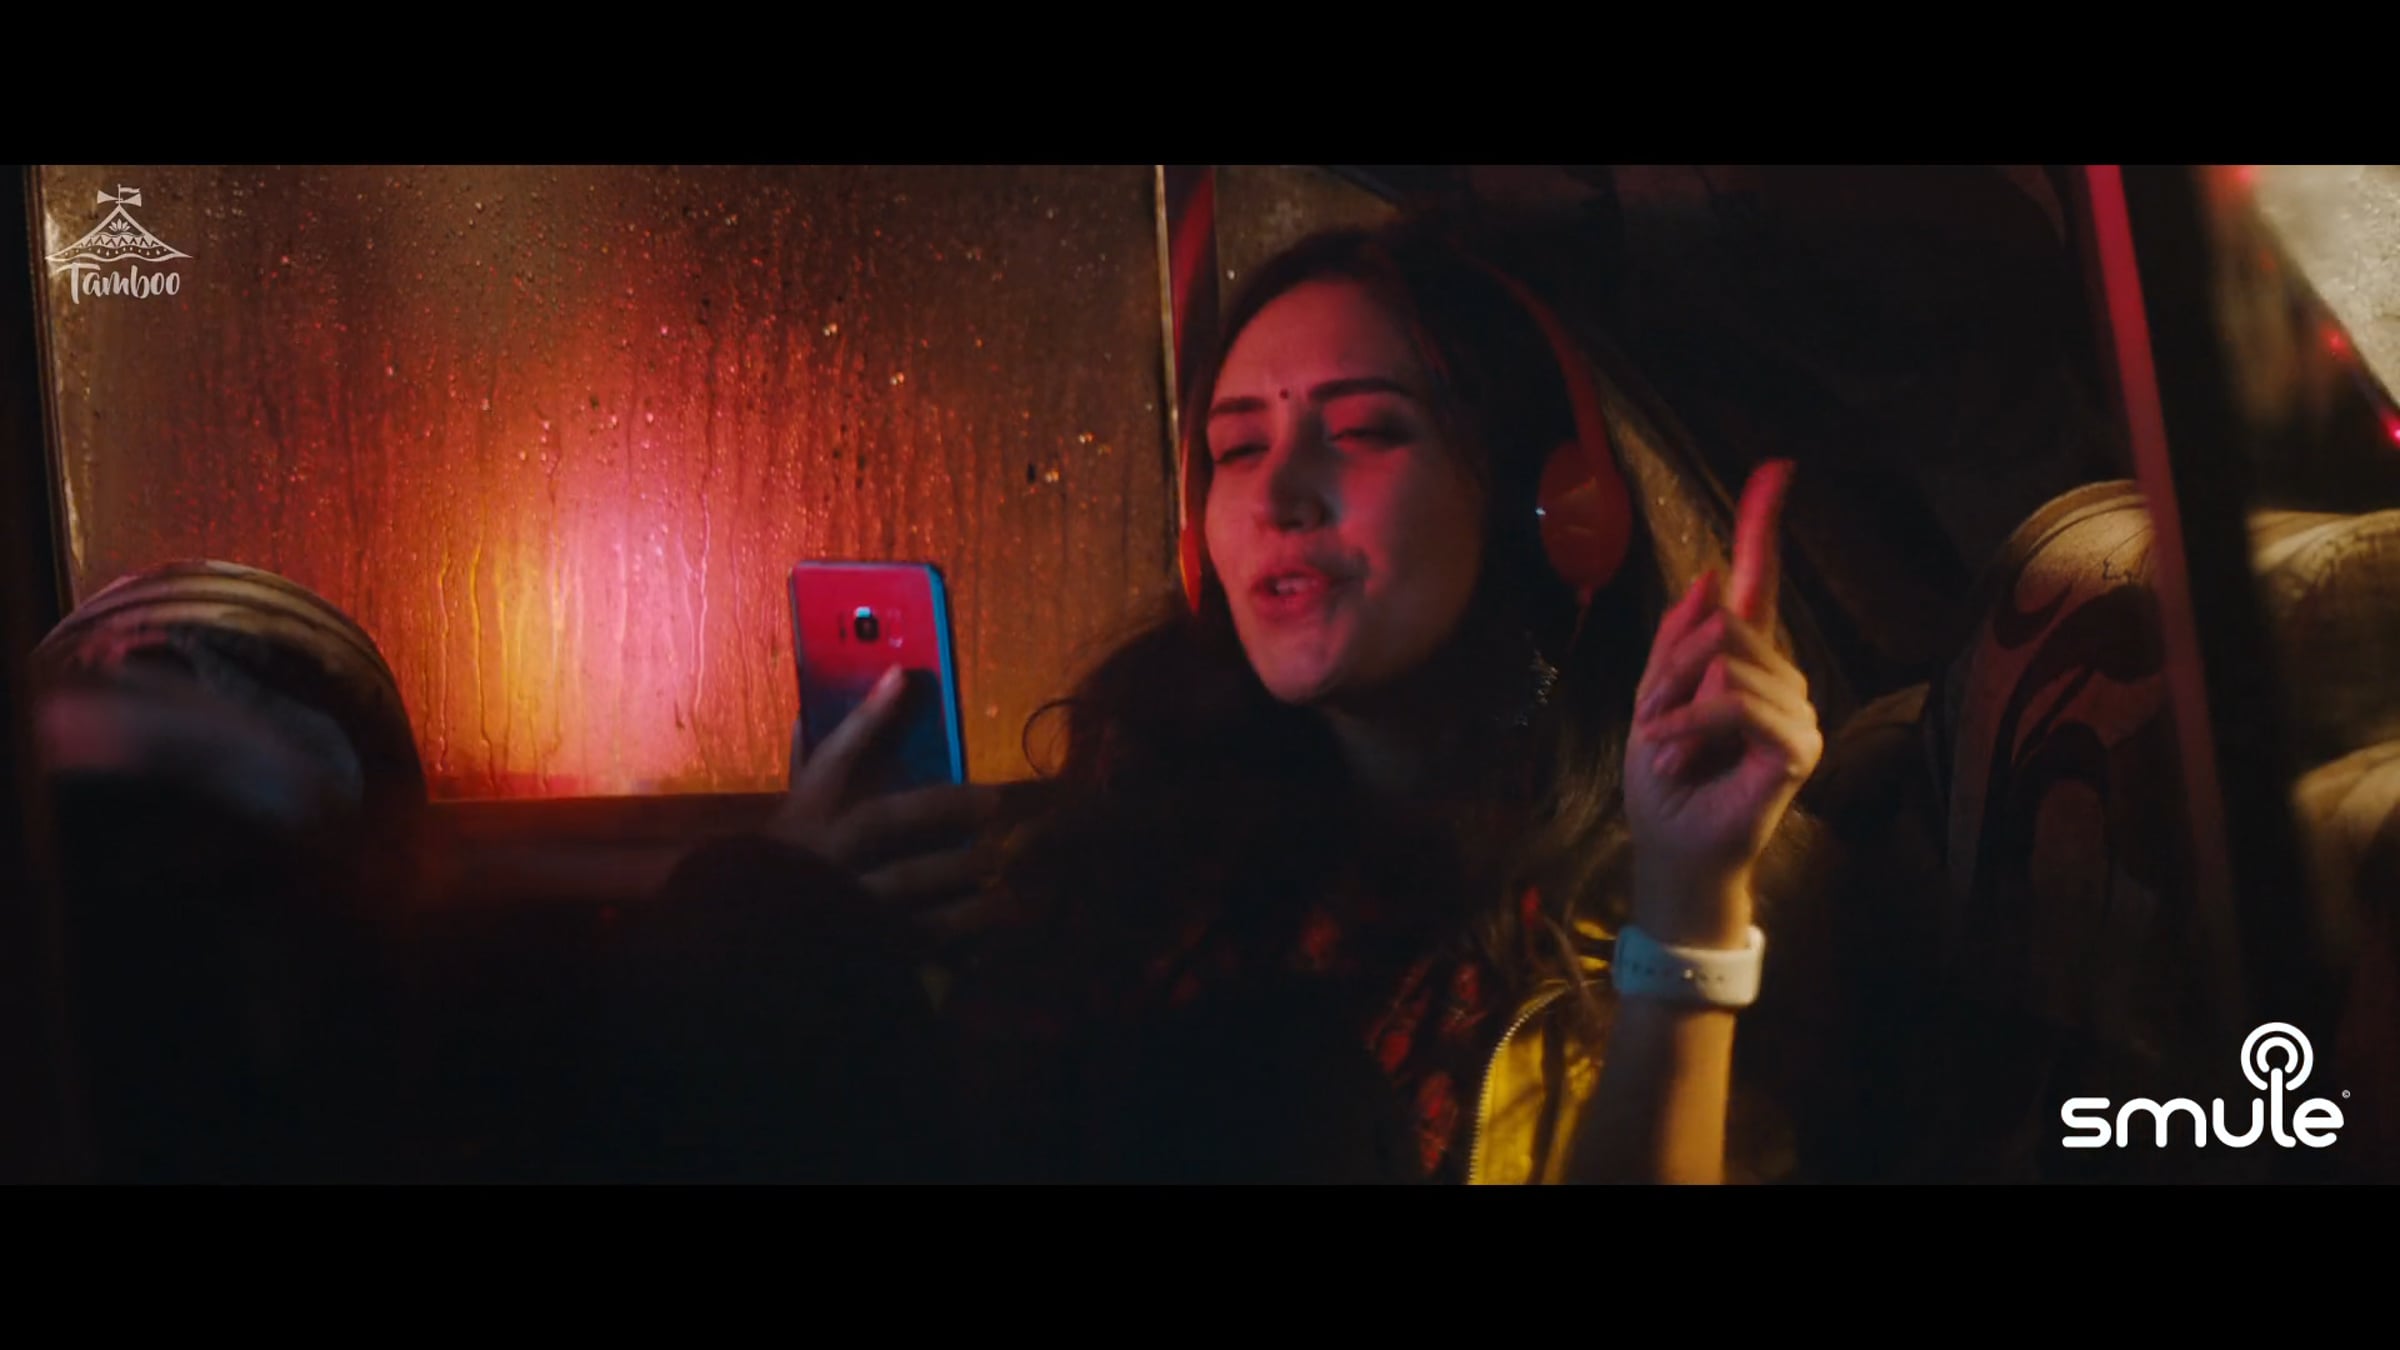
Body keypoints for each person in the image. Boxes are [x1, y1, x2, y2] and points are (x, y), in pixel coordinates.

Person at [640, 215, 1826, 1183]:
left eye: (1363, 430)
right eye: (1238, 449)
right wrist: (784, 928)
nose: (1280, 495)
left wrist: (1688, 904)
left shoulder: (1653, 891)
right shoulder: (1108, 856)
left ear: (1555, 507)